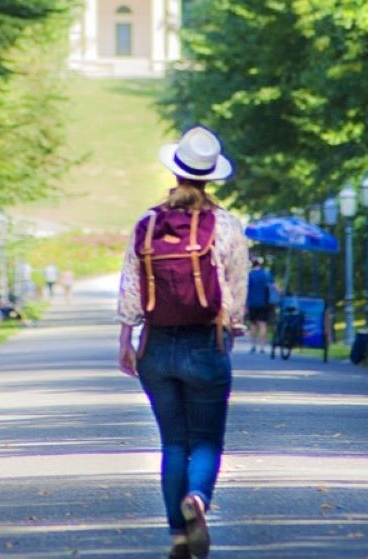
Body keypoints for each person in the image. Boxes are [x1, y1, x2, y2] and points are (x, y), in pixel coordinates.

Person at [117, 126, 249, 559]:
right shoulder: (226, 225)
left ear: (175, 172)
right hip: (205, 342)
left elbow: (131, 286)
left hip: (155, 344)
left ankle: (177, 533)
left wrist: (126, 339)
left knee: (173, 441)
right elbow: (236, 290)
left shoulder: (148, 223)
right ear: (211, 176)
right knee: (207, 440)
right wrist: (233, 326)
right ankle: (197, 497)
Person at [246, 258, 273, 354]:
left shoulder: (249, 275)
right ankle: (262, 347)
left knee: (253, 324)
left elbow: (246, 289)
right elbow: (272, 286)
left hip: (252, 303)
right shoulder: (266, 274)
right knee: (263, 325)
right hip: (264, 303)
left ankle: (253, 346)